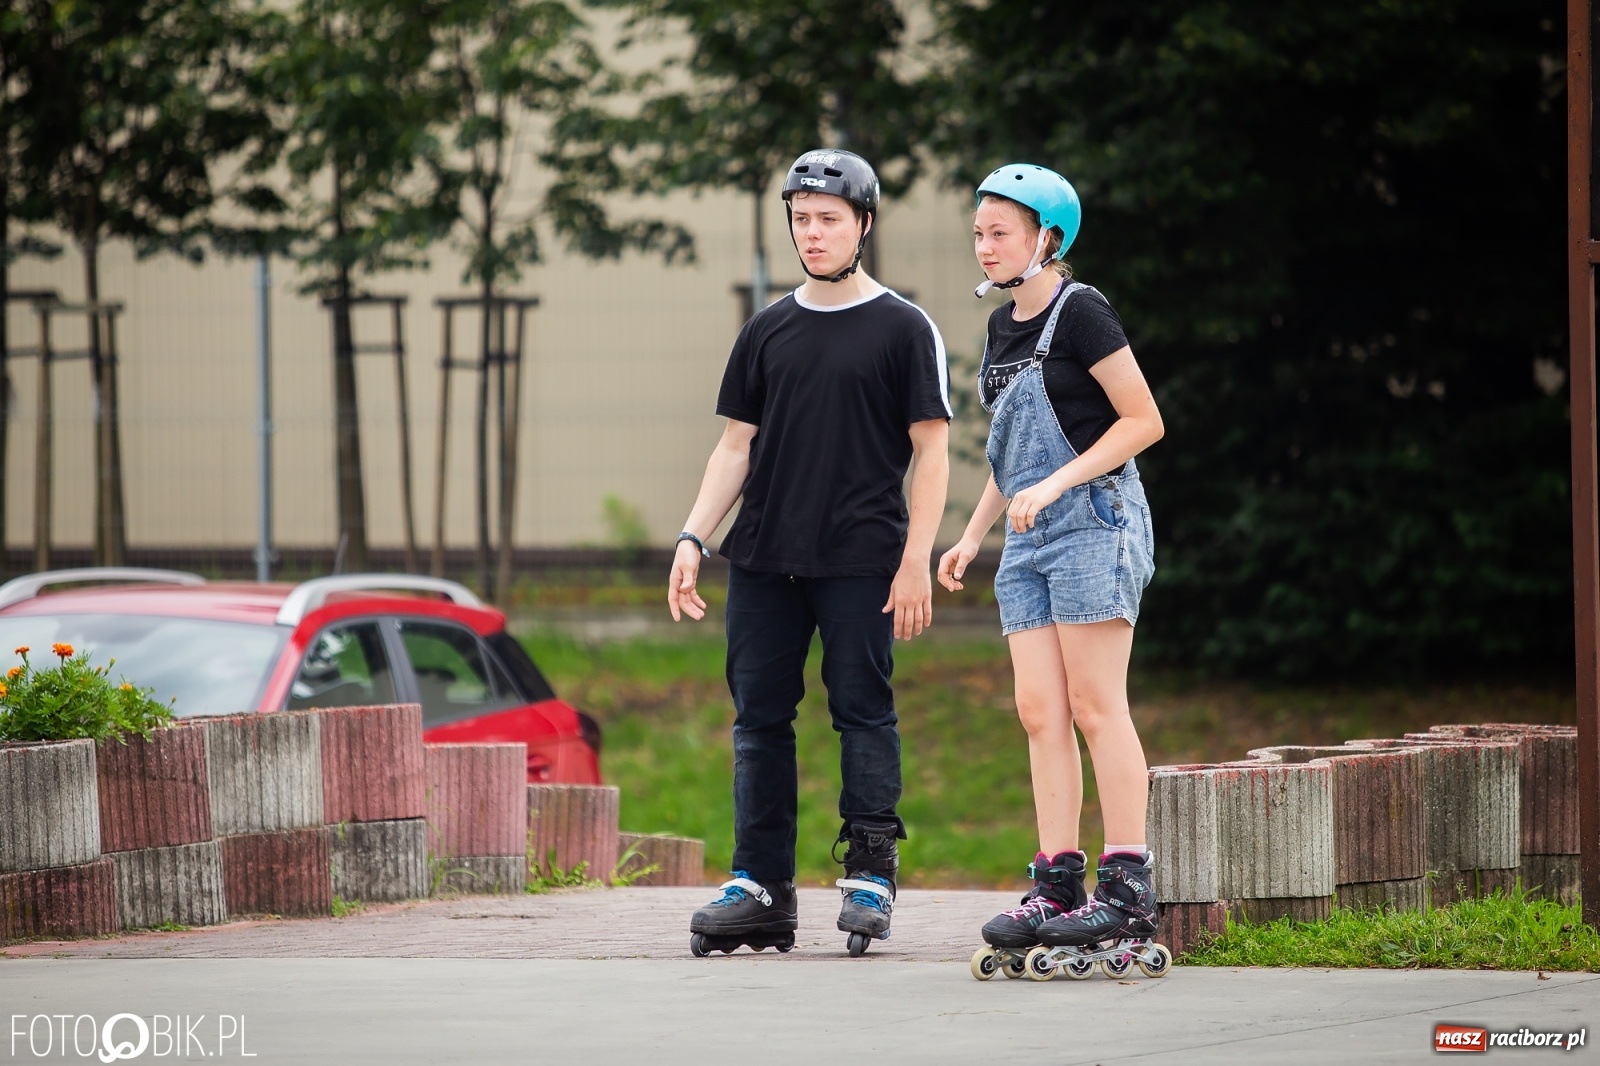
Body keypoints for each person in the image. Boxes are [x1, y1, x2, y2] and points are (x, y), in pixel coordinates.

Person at [669, 148, 951, 956]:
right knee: (759, 720)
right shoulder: (767, 329)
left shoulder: (903, 327)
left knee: (863, 712)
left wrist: (915, 558)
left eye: (829, 218)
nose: (813, 232)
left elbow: (931, 453)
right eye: (801, 219)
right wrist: (694, 534)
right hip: (762, 558)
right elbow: (735, 448)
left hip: (863, 557)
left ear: (863, 224)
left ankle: (869, 872)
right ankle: (760, 886)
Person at [937, 163, 1164, 954]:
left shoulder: (1084, 313)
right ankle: (1057, 883)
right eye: (979, 233)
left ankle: (1128, 888)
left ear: (1047, 238)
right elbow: (1010, 458)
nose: (985, 247)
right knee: (1039, 711)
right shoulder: (1004, 328)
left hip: (1093, 522)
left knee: (1097, 706)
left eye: (1000, 233)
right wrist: (971, 533)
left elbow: (1142, 421)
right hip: (1026, 538)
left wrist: (1060, 482)